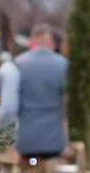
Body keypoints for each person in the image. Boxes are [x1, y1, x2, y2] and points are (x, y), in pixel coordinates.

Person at [14, 24, 68, 165]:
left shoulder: (18, 63)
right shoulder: (63, 64)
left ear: (32, 41)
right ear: (51, 42)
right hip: (54, 139)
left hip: (27, 138)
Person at [0, 50, 20, 138]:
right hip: (15, 98)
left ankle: (1, 138)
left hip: (6, 98)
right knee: (14, 120)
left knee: (0, 118)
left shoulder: (2, 69)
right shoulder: (14, 68)